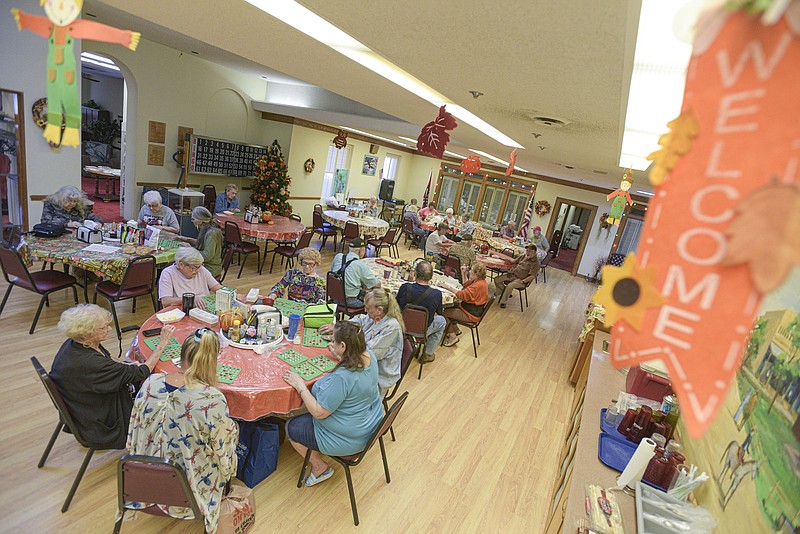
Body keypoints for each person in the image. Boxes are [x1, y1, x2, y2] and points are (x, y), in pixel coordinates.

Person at [127, 328, 238, 534]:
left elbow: (134, 431)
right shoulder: (212, 399)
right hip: (188, 489)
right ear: (212, 361)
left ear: (182, 355)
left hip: (140, 478)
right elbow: (223, 454)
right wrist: (230, 469)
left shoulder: (150, 382)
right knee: (232, 430)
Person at [49, 304, 175, 448]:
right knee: (163, 392)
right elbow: (142, 372)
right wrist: (163, 342)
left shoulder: (74, 344)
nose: (109, 329)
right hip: (102, 420)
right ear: (85, 334)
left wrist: (125, 367)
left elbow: (109, 364)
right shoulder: (92, 364)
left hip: (84, 403)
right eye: (103, 328)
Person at [283, 322, 383, 486]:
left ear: (343, 345)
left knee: (291, 426)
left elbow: (318, 412)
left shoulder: (342, 377)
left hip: (349, 439)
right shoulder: (368, 355)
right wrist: (341, 355)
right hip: (370, 425)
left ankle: (319, 467)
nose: (331, 342)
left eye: (334, 341)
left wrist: (300, 385)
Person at [319, 288, 405, 397]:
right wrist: (338, 328)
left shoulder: (392, 327)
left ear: (379, 309)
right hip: (363, 363)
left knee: (333, 383)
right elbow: (359, 321)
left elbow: (367, 356)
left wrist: (339, 352)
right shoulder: (376, 316)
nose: (365, 310)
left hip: (376, 376)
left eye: (368, 308)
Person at [396, 261, 446, 363]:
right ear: (431, 277)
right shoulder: (436, 294)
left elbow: (396, 306)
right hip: (422, 331)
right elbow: (440, 312)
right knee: (442, 321)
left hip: (401, 326)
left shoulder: (405, 287)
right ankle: (427, 354)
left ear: (415, 274)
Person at [441, 263, 489, 346]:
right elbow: (466, 284)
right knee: (452, 306)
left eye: (471, 271)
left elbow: (462, 295)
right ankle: (455, 330)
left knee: (443, 312)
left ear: (476, 274)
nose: (469, 271)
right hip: (470, 309)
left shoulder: (478, 285)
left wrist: (447, 287)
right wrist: (463, 273)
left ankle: (453, 336)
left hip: (471, 314)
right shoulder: (480, 281)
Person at [159, 247, 223, 309]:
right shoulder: (168, 273)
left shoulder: (201, 269)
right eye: (194, 268)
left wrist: (229, 294)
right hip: (182, 310)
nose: (198, 271)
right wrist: (189, 299)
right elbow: (165, 301)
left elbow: (217, 288)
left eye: (199, 267)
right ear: (181, 265)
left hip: (203, 309)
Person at [330, 237, 380, 308]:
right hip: (349, 301)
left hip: (334, 297)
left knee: (364, 293)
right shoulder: (360, 264)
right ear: (361, 250)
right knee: (376, 303)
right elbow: (376, 284)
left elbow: (332, 274)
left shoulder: (338, 257)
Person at [176, 206, 223, 277]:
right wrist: (186, 239)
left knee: (180, 268)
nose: (192, 221)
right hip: (205, 264)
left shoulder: (212, 233)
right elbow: (204, 243)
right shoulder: (208, 228)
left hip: (211, 268)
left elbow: (207, 256)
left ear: (200, 220)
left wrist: (190, 249)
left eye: (193, 219)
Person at [494, 244, 540, 308]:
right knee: (497, 279)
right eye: (527, 251)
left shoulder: (536, 263)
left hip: (521, 280)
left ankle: (503, 302)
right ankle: (504, 293)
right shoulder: (523, 256)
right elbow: (514, 261)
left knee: (509, 286)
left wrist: (523, 281)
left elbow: (532, 276)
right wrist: (509, 262)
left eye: (530, 251)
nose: (527, 253)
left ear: (534, 252)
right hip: (513, 275)